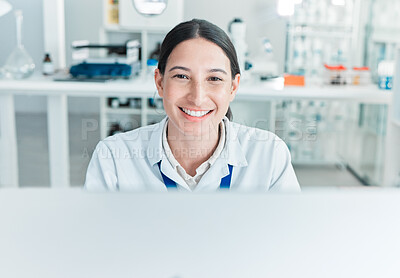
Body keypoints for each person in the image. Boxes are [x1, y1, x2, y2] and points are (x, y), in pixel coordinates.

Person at [84, 19, 300, 192]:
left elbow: (290, 240)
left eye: (214, 79)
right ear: (159, 82)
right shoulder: (113, 157)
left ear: (233, 87)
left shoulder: (269, 154)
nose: (197, 98)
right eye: (182, 76)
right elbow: (95, 241)